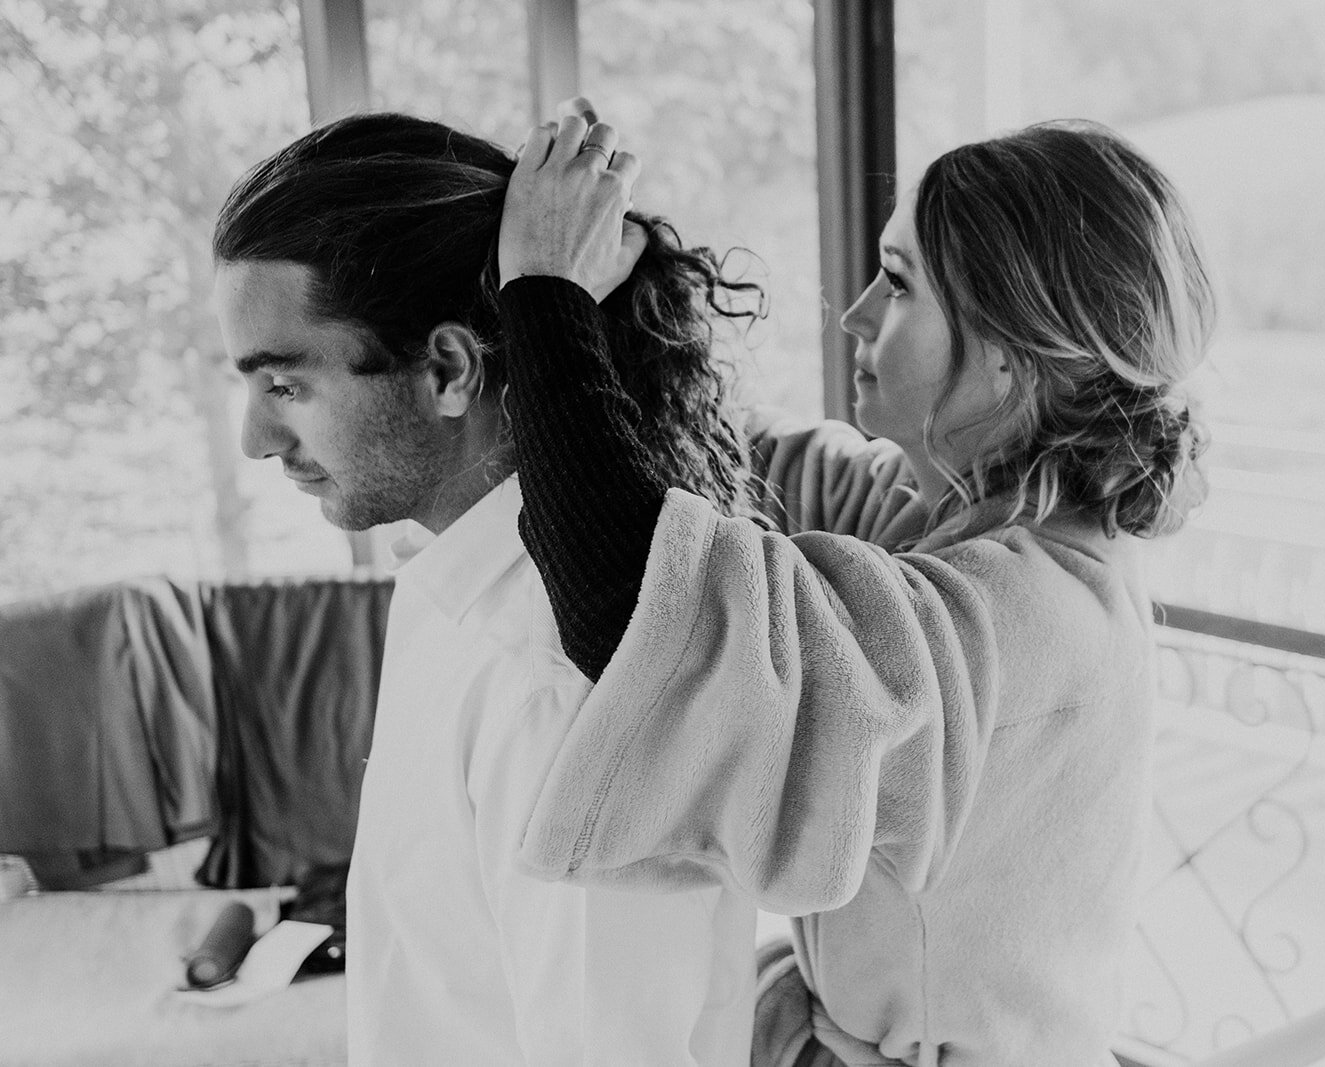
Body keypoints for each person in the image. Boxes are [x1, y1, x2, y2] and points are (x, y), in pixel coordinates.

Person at [494, 114, 1215, 1065]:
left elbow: (644, 605)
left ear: (1009, 354)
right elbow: (748, 463)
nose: (857, 313)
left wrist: (540, 298)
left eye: (901, 282)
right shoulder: (980, 516)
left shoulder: (1014, 613)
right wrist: (615, 304)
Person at [210, 112, 762, 1066]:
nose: (253, 441)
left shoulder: (552, 681)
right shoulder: (449, 588)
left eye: (287, 387)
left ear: (449, 370)